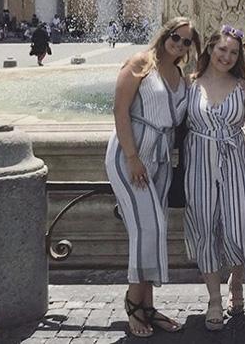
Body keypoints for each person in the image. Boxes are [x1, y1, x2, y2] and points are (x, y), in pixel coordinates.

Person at [104, 17, 200, 338]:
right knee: (151, 228)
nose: (180, 44)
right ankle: (133, 302)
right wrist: (132, 157)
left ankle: (148, 306)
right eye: (176, 37)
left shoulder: (181, 75)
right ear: (165, 35)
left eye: (187, 42)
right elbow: (120, 111)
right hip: (130, 156)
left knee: (151, 232)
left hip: (159, 161)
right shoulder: (140, 62)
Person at [184, 25, 245, 331]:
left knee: (238, 226)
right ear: (210, 48)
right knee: (204, 228)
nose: (226, 56)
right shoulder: (190, 83)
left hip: (235, 160)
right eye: (222, 49)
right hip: (199, 161)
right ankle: (214, 298)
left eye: (233, 52)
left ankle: (236, 281)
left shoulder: (243, 84)